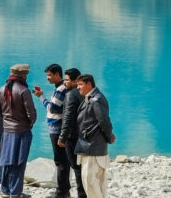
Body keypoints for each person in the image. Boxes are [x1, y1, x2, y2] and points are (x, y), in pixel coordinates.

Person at [0, 63, 36, 198]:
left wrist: (3, 128)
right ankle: (15, 193)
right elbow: (32, 114)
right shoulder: (24, 91)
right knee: (19, 162)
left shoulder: (1, 90)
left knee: (6, 161)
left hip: (6, 132)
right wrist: (29, 125)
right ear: (23, 76)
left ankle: (5, 189)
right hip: (21, 132)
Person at [74, 74, 116, 198]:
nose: (78, 87)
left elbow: (104, 122)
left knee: (90, 181)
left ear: (89, 84)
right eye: (77, 85)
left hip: (93, 147)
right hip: (90, 146)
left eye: (80, 84)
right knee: (95, 183)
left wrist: (109, 137)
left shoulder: (95, 99)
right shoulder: (91, 97)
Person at [33, 63, 69, 198]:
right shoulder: (60, 88)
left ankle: (61, 192)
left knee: (60, 161)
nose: (47, 78)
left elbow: (52, 108)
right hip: (58, 127)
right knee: (63, 160)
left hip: (57, 128)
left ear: (57, 74)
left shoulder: (60, 89)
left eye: (49, 75)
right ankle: (65, 189)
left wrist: (41, 97)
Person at [57, 68, 86, 198]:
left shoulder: (70, 95)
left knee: (76, 167)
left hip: (72, 136)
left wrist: (62, 137)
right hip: (84, 135)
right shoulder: (85, 93)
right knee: (83, 166)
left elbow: (68, 118)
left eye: (67, 80)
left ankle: (81, 194)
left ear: (75, 81)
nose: (64, 82)